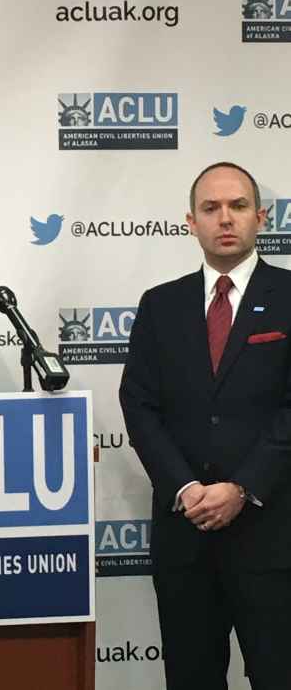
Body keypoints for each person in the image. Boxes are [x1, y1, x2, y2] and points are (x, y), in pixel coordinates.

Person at [120, 162, 291, 690]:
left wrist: (243, 488)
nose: (225, 218)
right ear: (190, 221)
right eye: (211, 208)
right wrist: (187, 487)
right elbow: (138, 403)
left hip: (272, 537)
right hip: (185, 537)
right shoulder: (159, 305)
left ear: (261, 217)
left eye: (238, 206)